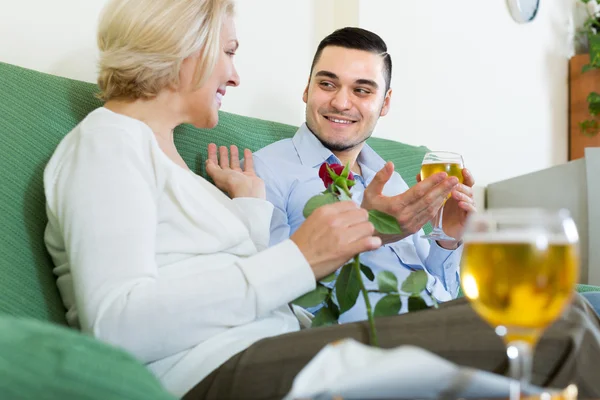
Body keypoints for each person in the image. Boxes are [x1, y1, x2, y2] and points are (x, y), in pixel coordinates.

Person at [42, 0, 600, 399]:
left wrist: (249, 206)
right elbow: (116, 324)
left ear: (384, 104)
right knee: (560, 323)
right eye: (228, 52)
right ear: (187, 50)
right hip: (219, 373)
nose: (234, 75)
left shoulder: (177, 168)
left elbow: (217, 273)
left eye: (362, 90)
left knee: (566, 313)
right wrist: (305, 254)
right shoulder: (106, 140)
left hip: (276, 349)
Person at [252, 27, 475, 322]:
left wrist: (445, 237)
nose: (341, 103)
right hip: (370, 341)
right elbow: (273, 295)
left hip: (443, 323)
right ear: (307, 89)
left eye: (361, 90)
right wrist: (368, 232)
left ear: (385, 103)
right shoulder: (266, 170)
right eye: (328, 84)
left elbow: (440, 290)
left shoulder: (390, 178)